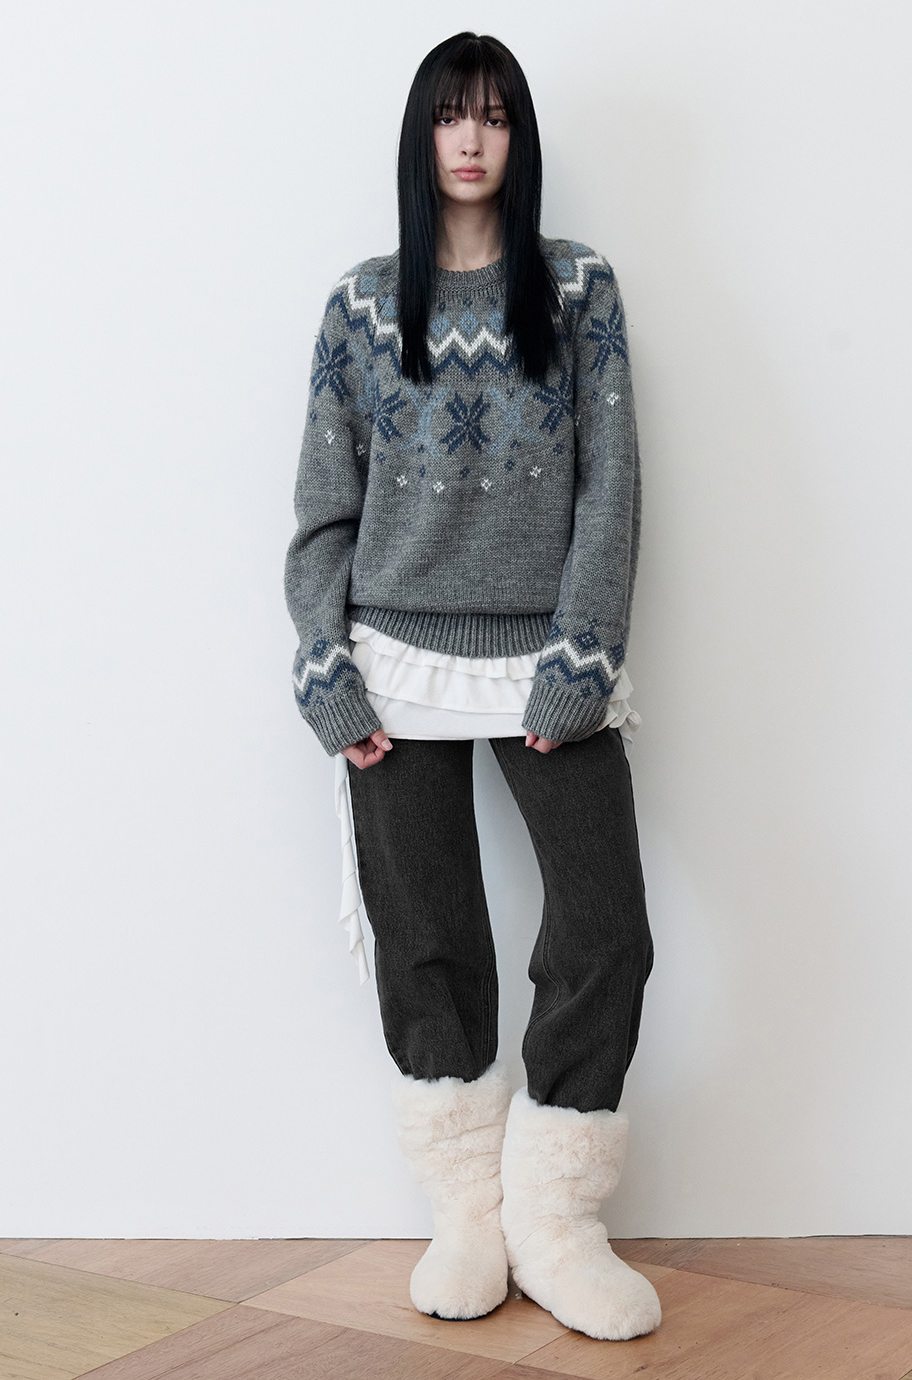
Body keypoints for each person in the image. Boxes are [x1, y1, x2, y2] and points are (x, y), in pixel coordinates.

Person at [283, 30, 660, 1344]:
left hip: (547, 663)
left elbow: (612, 486)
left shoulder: (579, 286)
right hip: (393, 672)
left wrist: (581, 652)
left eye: (495, 115)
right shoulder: (360, 305)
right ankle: (469, 1216)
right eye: (452, 114)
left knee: (606, 930)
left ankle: (555, 1216)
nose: (472, 138)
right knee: (429, 938)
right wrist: (326, 671)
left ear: (519, 136)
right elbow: (322, 513)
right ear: (422, 132)